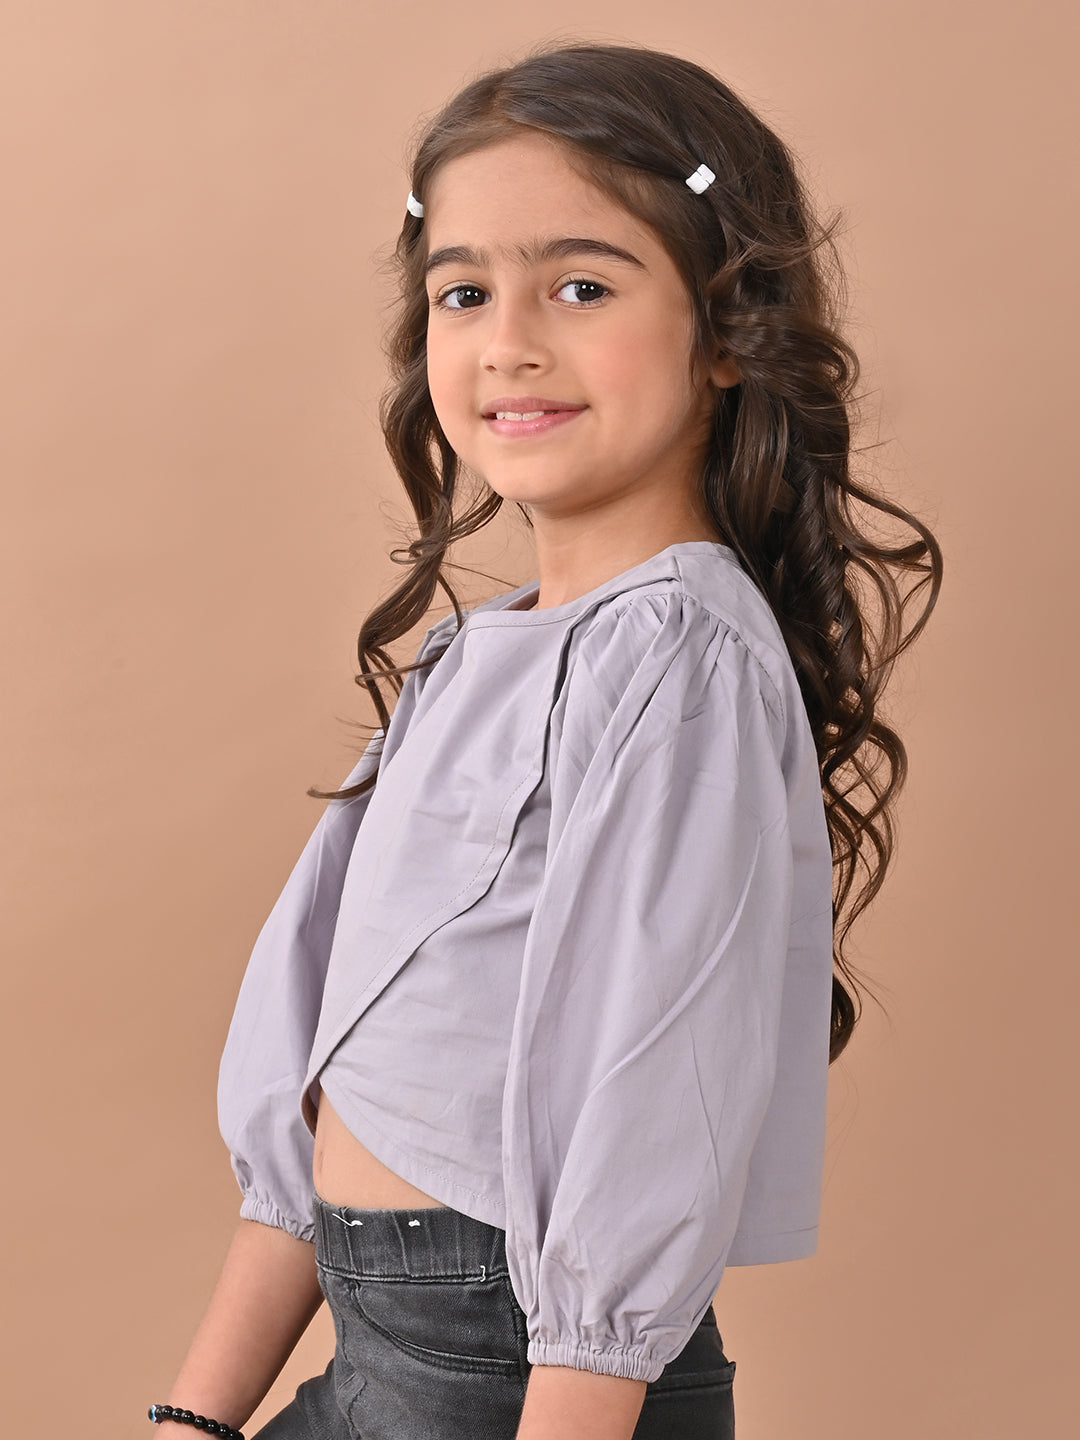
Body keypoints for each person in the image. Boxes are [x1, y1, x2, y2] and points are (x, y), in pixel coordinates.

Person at [148, 40, 943, 1440]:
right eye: (464, 292)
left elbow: (650, 1095)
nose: (508, 341)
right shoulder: (476, 655)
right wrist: (197, 1420)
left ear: (726, 332)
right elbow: (317, 1076)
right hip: (391, 1348)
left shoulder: (681, 658)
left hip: (531, 1382)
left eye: (581, 287)